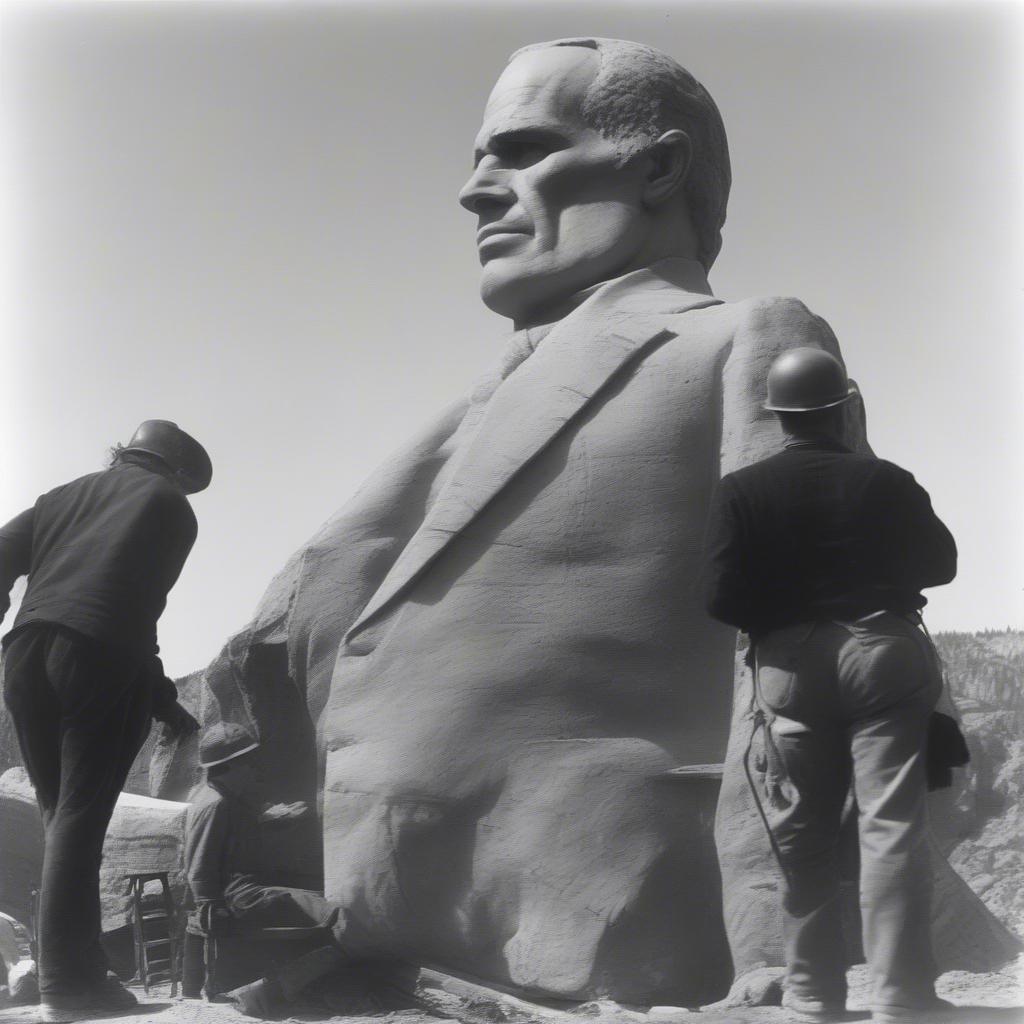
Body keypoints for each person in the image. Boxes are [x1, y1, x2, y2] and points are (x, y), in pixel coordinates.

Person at [197, 37, 878, 1005]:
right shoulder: (472, 403)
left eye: (518, 152)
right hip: (378, 938)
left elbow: (793, 662)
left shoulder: (745, 337)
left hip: (601, 922)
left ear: (658, 167)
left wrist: (779, 957)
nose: (475, 193)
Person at [701, 347, 958, 1023]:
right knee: (891, 827)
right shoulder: (888, 481)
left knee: (801, 832)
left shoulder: (742, 490)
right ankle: (902, 998)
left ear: (779, 417)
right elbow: (943, 565)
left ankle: (814, 996)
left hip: (790, 669)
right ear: (844, 410)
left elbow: (721, 599)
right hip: (882, 655)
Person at [0, 420, 208, 1023]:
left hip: (24, 653)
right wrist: (163, 700)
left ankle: (75, 972)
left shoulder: (61, 495)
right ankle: (67, 986)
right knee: (80, 819)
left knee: (58, 817)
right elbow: (134, 608)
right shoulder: (168, 505)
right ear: (177, 473)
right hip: (97, 652)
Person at [185, 722, 361, 1017]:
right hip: (238, 897)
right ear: (231, 766)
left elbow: (232, 834)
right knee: (336, 915)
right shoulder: (216, 805)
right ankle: (267, 992)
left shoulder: (220, 797)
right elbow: (199, 866)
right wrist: (212, 908)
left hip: (242, 889)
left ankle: (281, 987)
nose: (255, 770)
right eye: (249, 763)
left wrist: (270, 819)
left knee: (317, 900)